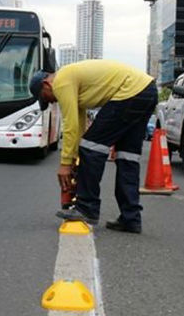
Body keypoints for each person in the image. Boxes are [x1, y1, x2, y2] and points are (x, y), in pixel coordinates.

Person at [29, 59, 157, 233]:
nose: (51, 103)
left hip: (130, 92)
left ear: (46, 84)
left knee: (91, 149)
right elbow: (79, 125)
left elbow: (71, 126)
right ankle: (131, 218)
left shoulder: (60, 81)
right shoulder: (73, 82)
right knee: (127, 157)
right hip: (147, 90)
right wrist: (74, 157)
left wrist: (66, 164)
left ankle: (87, 208)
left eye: (45, 98)